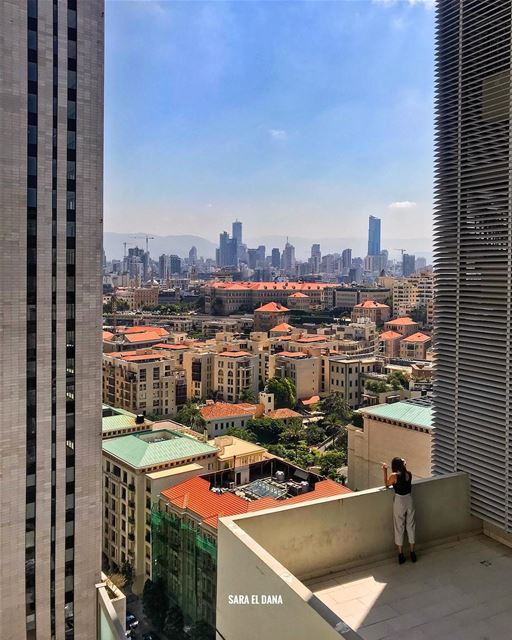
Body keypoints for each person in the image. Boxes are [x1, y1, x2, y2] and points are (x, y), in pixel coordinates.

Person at [382, 457, 416, 564]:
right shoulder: (408, 474)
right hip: (409, 499)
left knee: (399, 526)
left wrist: (385, 470)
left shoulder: (394, 476)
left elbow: (387, 484)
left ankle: (401, 554)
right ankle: (412, 552)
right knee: (411, 525)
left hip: (399, 500)